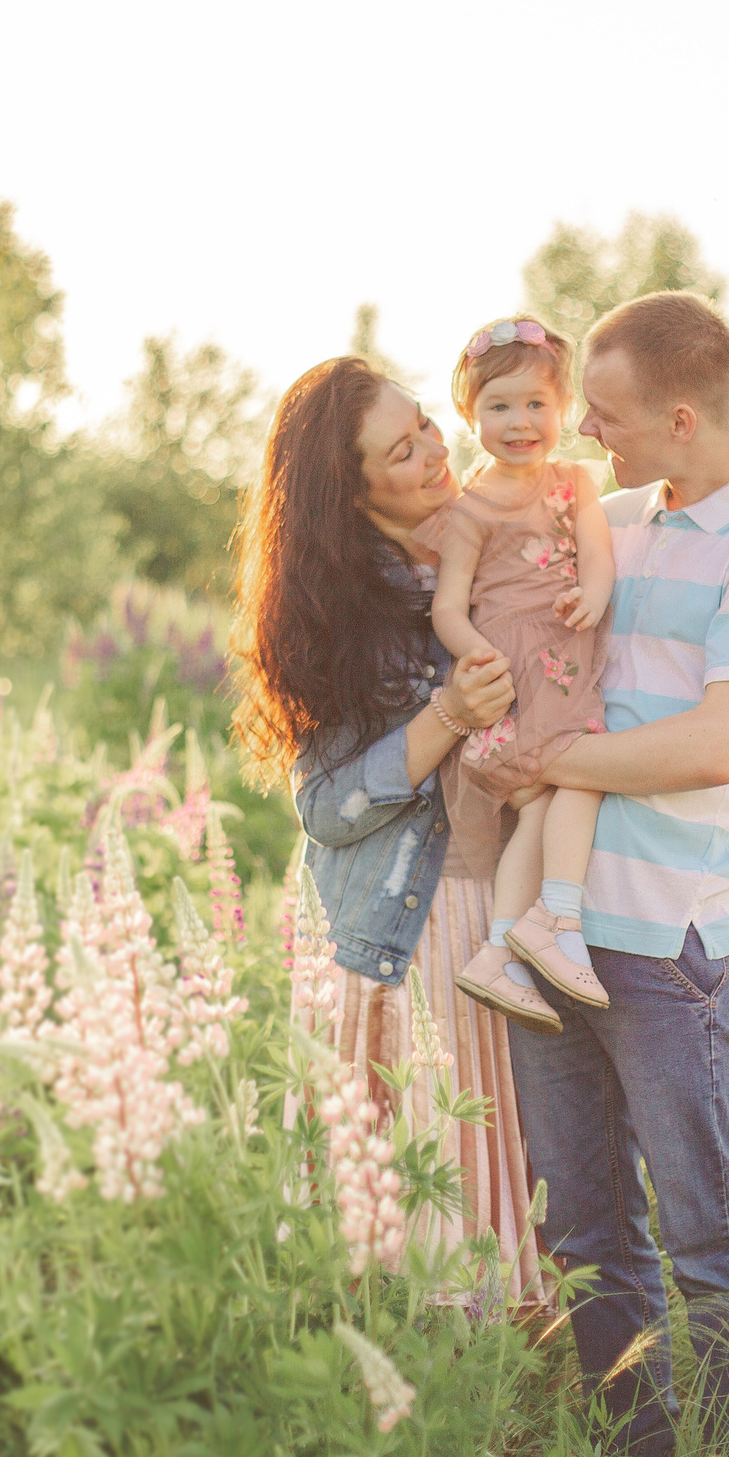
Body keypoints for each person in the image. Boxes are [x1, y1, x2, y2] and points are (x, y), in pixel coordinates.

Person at [508, 291, 729, 1457]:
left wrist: (550, 759)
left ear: (683, 418)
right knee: (586, 1232)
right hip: (553, 934)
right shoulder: (611, 520)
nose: (586, 433)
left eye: (606, 415)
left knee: (707, 1239)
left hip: (669, 950)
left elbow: (717, 743)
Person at [229, 354, 549, 1304]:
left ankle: (510, 1381)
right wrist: (448, 714)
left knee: (516, 1181)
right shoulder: (338, 608)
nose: (434, 452)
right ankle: (408, 1369)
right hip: (410, 929)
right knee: (415, 1197)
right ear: (351, 489)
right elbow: (327, 808)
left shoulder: (493, 543)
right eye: (401, 451)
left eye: (425, 427)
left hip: (509, 911)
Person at [415, 315, 613, 1032]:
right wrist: (477, 653)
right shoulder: (470, 508)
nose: (520, 421)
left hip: (565, 651)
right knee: (582, 775)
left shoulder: (575, 482)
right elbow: (447, 606)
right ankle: (557, 916)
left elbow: (598, 557)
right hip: (514, 671)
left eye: (536, 404)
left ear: (564, 409)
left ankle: (501, 948)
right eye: (499, 406)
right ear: (470, 416)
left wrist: (592, 596)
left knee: (538, 803)